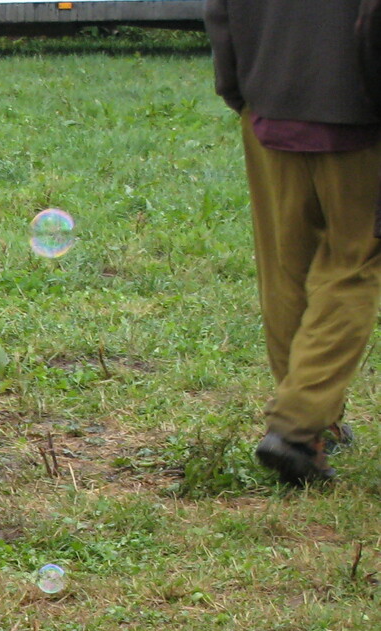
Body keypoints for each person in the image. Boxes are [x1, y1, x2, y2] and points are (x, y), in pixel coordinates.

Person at [206, 0, 381, 485]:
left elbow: (221, 11)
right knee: (354, 266)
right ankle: (299, 425)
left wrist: (242, 91)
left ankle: (315, 424)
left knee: (286, 267)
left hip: (268, 106)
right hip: (359, 114)